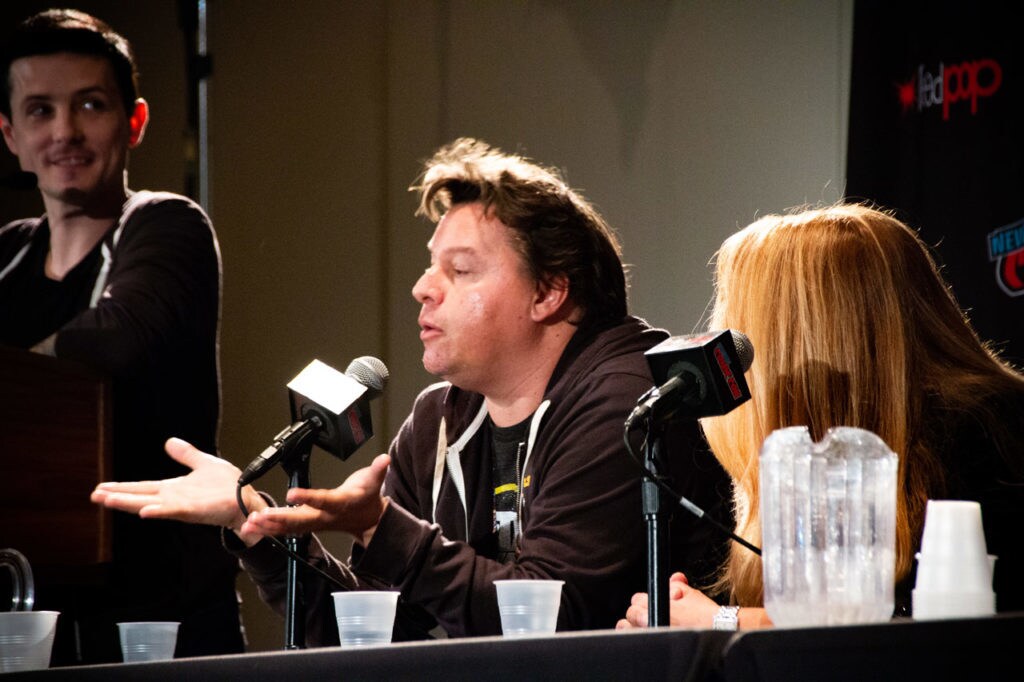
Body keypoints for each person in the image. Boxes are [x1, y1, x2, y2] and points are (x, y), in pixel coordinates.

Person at [92, 137, 733, 643]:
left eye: (459, 270)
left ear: (548, 292)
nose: (423, 289)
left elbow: (550, 626)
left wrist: (383, 528)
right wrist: (254, 522)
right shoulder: (439, 420)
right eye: (431, 267)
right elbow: (374, 637)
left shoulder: (627, 401)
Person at [617, 203, 1024, 630]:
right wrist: (666, 623)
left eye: (739, 318)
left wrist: (722, 621)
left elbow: (940, 631)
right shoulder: (768, 461)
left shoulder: (988, 429)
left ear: (791, 339)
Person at [0, 9, 243, 662]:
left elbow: (117, 337)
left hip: (164, 620)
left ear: (133, 121)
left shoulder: (166, 225)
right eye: (40, 111)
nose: (65, 132)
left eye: (90, 105)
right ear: (10, 134)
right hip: (32, 609)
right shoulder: (8, 258)